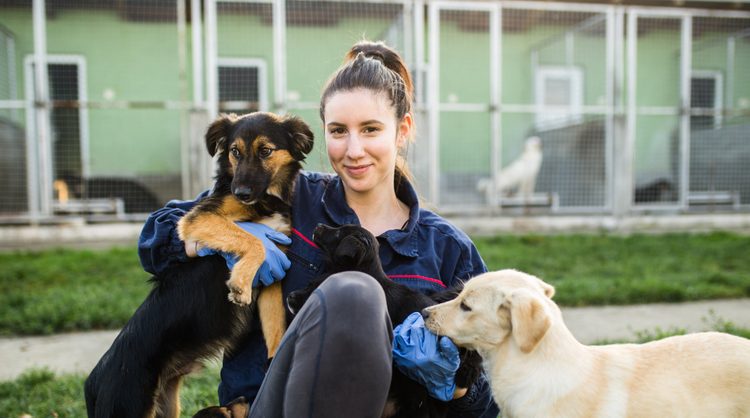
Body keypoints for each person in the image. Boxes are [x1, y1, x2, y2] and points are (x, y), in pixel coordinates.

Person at [138, 40, 500, 418]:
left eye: (371, 129)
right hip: (269, 406)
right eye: (339, 131)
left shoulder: (447, 250)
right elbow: (155, 239)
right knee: (356, 292)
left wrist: (458, 386)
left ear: (402, 130)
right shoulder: (284, 196)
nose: (353, 149)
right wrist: (230, 243)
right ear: (322, 133)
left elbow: (490, 397)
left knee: (358, 294)